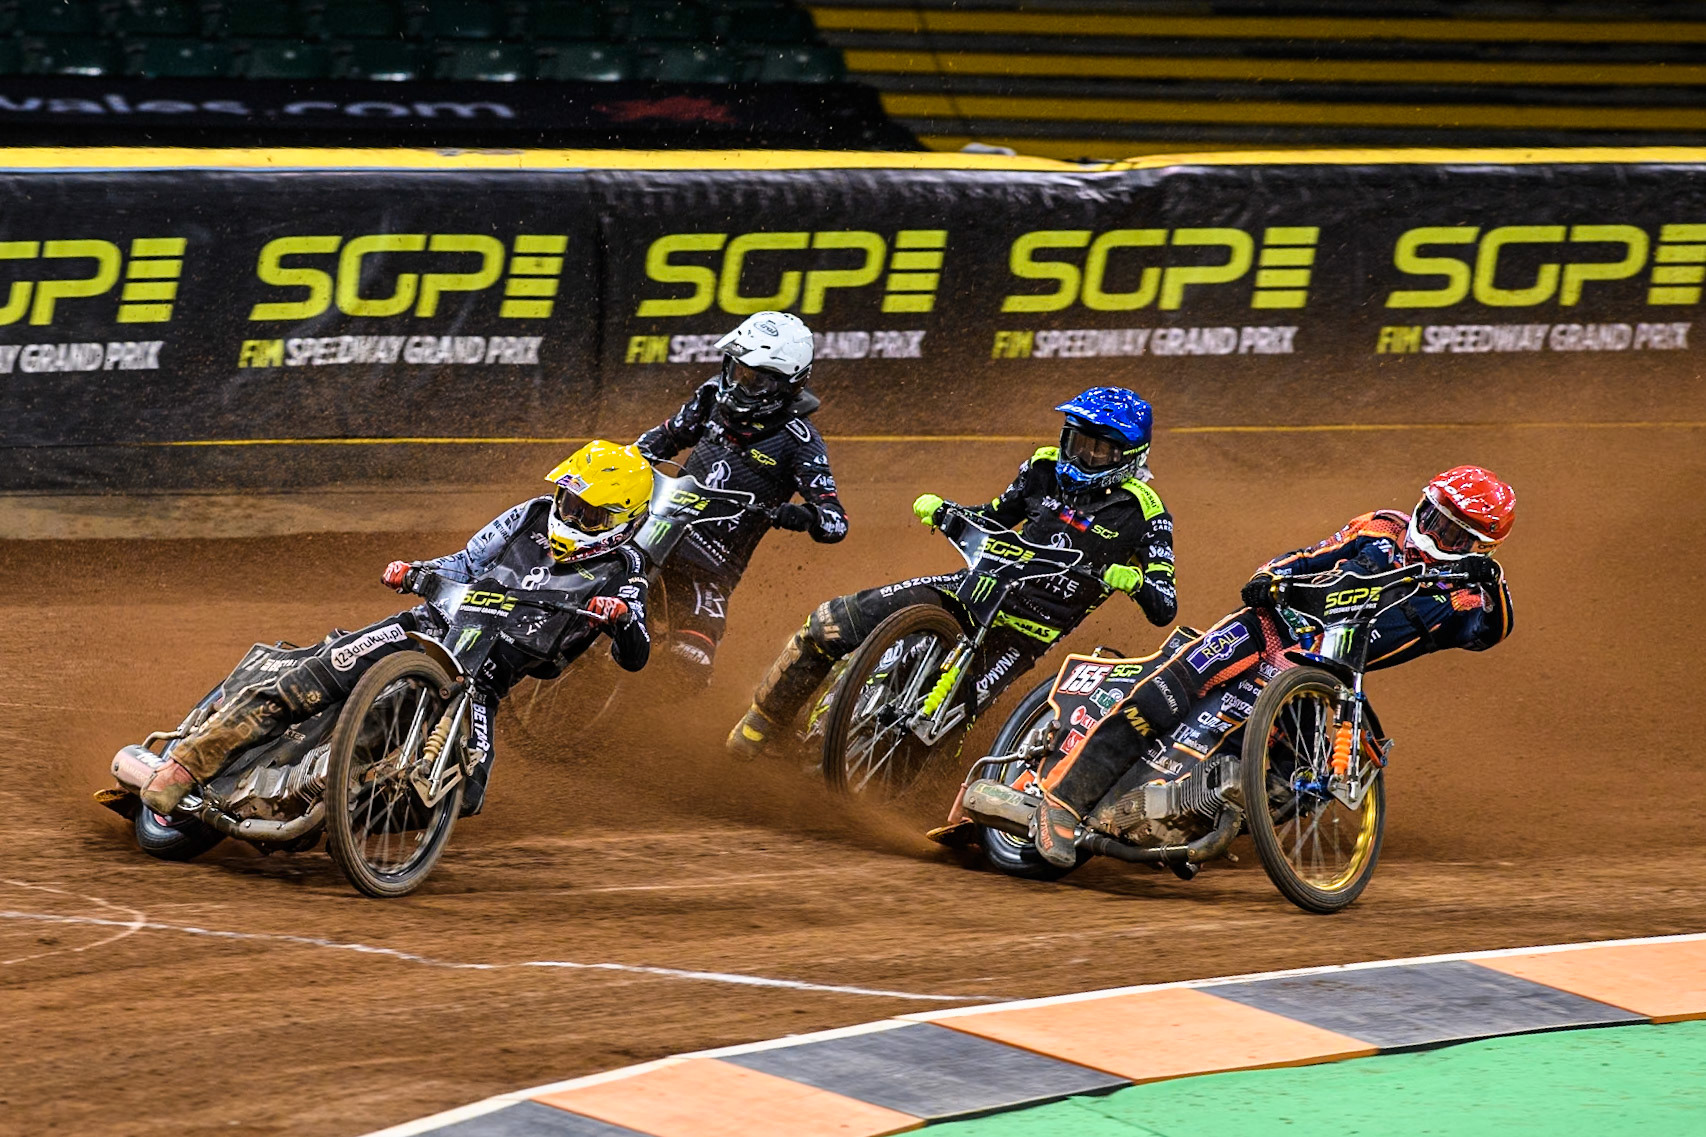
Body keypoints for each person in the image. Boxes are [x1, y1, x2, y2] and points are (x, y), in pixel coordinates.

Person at [1026, 464, 1516, 868]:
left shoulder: (1463, 598)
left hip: (1325, 669)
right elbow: (1311, 555)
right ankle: (1062, 801)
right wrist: (1270, 576)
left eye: (1449, 529)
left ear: (1479, 546)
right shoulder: (1382, 527)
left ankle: (1197, 814)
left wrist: (1491, 581)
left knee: (1288, 775)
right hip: (1272, 623)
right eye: (1430, 513)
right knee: (1165, 693)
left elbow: (1494, 630)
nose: (1429, 529)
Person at [137, 440, 656, 817]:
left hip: (485, 678)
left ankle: (344, 806)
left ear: (623, 519)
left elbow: (637, 655)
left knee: (465, 796)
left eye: (588, 512)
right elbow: (463, 562)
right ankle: (182, 766)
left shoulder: (627, 567)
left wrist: (623, 618)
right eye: (569, 501)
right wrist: (414, 569)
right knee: (315, 677)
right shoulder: (530, 515)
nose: (568, 514)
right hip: (425, 627)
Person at [727, 385, 1177, 758]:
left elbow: (1165, 604)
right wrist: (947, 512)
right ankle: (759, 727)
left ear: (1129, 457)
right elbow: (996, 516)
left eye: (1099, 450)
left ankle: (908, 800)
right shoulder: (1043, 467)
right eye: (1077, 441)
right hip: (973, 589)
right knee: (831, 623)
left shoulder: (1146, 512)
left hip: (1025, 632)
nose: (1082, 457)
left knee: (934, 732)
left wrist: (1135, 581)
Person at [635, 311, 848, 685]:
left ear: (789, 385)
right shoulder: (710, 397)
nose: (737, 385)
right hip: (656, 528)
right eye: (736, 370)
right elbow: (664, 437)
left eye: (755, 379)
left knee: (690, 668)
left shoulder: (799, 441)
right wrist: (624, 460)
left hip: (711, 568)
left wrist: (807, 516)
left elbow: (836, 522)